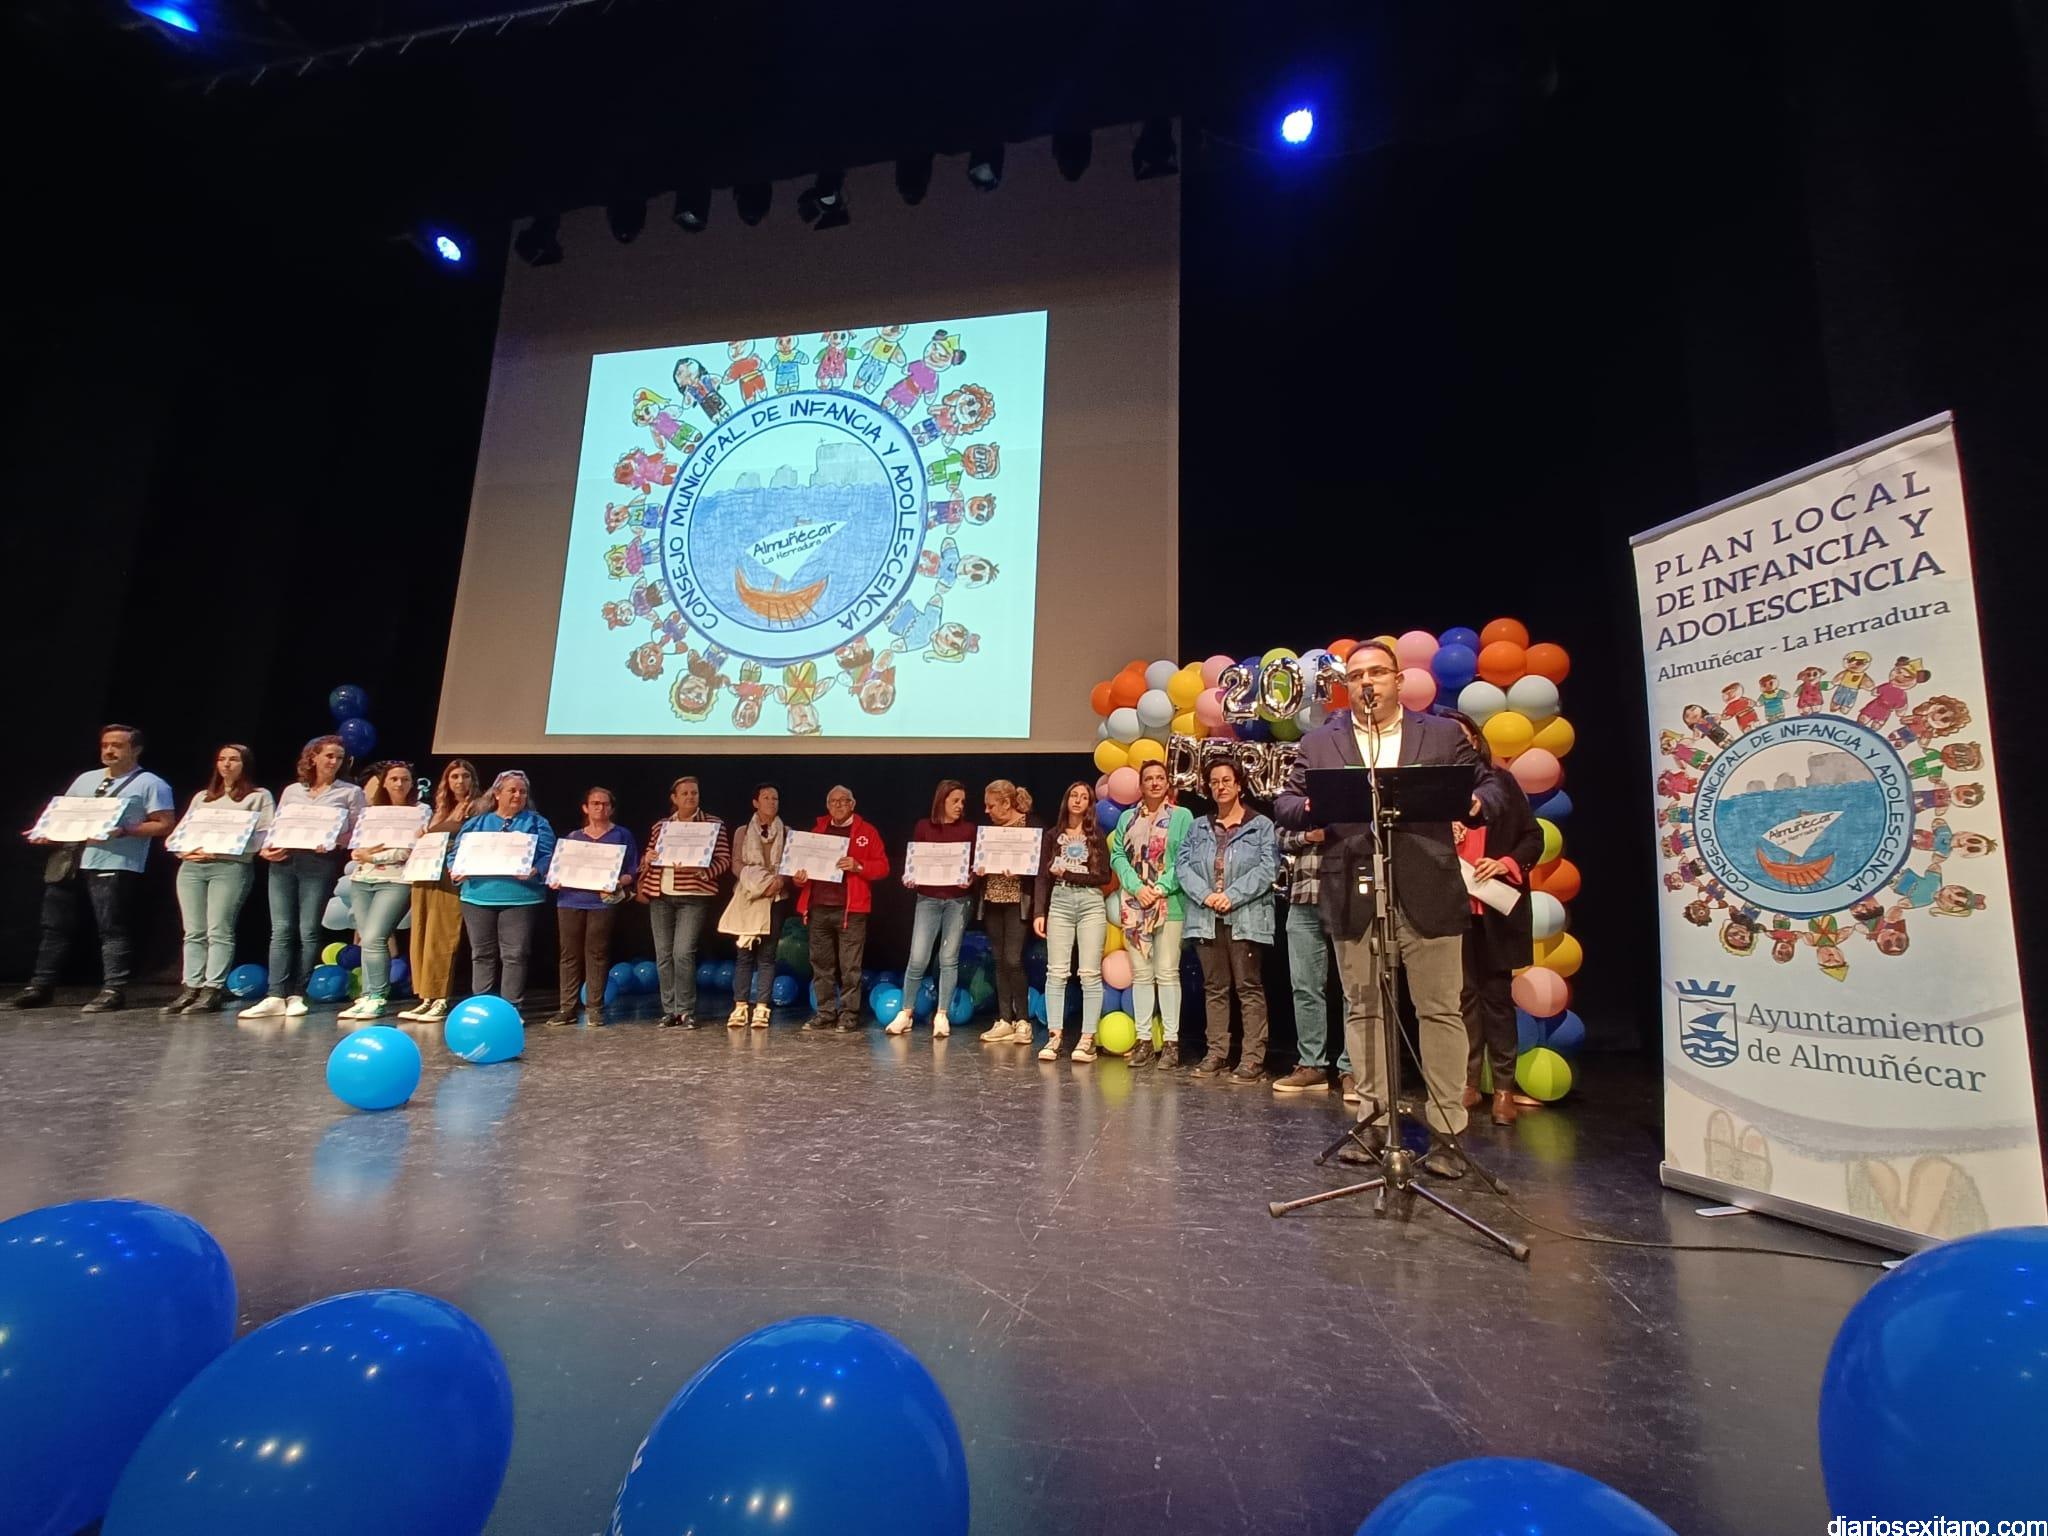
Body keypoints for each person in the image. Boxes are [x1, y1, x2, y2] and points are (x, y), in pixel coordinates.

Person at [1274, 641, 1480, 1173]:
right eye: (1357, 675)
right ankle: (1372, 1123)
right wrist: (1313, 807)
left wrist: (1477, 804)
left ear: (1398, 680)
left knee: (1439, 1010)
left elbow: (1489, 787)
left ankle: (1447, 1132)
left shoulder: (1441, 734)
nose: (1367, 683)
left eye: (1378, 673)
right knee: (1363, 1009)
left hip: (1429, 889)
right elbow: (1286, 803)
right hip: (1353, 890)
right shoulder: (1321, 742)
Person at [13, 723, 177, 1013]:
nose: (109, 750)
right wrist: (46, 832)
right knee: (54, 927)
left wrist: (126, 830)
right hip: (70, 861)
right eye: (105, 745)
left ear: (136, 749)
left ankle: (114, 989)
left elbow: (165, 824)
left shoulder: (151, 783)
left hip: (113, 862)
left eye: (117, 745)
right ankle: (40, 986)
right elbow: (64, 815)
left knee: (111, 927)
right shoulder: (86, 779)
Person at [1441, 710, 1544, 1125]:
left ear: (1475, 741)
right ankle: (1468, 1083)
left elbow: (1532, 837)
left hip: (1497, 907)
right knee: (1462, 997)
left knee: (1497, 998)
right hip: (1453, 907)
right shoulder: (1436, 791)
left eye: (1463, 737)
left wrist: (1505, 863)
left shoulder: (1501, 783)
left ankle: (1503, 1088)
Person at [241, 735, 366, 1020]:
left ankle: (297, 993)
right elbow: (279, 825)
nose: (334, 762)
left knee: (308, 929)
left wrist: (335, 840)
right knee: (281, 929)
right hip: (285, 861)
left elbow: (358, 832)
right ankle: (275, 994)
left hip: (319, 862)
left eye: (339, 757)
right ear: (313, 757)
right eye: (329, 756)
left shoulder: (350, 792)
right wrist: (268, 848)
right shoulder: (293, 790)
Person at [1177, 757, 1279, 1082]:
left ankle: (1252, 1058)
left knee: (1248, 987)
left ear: (1239, 785)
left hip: (1246, 916)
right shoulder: (1198, 826)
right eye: (1214, 782)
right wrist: (1206, 895)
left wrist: (1231, 895)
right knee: (1214, 987)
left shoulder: (1260, 825)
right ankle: (1217, 1053)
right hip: (1206, 916)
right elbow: (1183, 867)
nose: (1220, 787)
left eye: (1226, 781)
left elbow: (1268, 868)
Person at [164, 743, 276, 1016]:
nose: (227, 764)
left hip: (229, 867)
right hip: (192, 868)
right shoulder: (203, 797)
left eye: (234, 759)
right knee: (193, 931)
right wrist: (183, 850)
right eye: (222, 759)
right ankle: (191, 987)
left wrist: (223, 849)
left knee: (219, 929)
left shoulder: (258, 797)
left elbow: (265, 835)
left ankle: (212, 988)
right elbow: (177, 835)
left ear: (244, 764)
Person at [1109, 760, 1193, 1070]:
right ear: (1141, 785)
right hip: (1134, 905)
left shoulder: (1182, 816)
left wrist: (1159, 888)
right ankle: (1143, 1040)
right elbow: (1118, 855)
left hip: (1169, 903)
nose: (1155, 783)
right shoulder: (1127, 817)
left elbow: (1186, 856)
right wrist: (1136, 887)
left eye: (1160, 778)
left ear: (1167, 783)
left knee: (1167, 973)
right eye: (1149, 779)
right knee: (1142, 975)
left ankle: (1170, 1043)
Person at [453, 770, 556, 1016]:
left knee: (515, 954)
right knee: (481, 954)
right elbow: (456, 854)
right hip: (478, 897)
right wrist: (455, 869)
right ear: (497, 794)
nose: (518, 795)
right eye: (512, 790)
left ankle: (511, 1009)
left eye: (522, 792)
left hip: (520, 897)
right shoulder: (477, 823)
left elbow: (549, 855)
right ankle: (482, 1008)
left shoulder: (537, 823)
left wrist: (535, 869)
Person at [793, 785, 890, 1032]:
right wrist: (799, 878)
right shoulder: (817, 832)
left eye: (843, 800)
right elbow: (800, 872)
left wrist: (858, 866)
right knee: (820, 965)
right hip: (818, 907)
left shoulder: (867, 831)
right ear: (827, 806)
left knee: (850, 967)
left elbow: (883, 867)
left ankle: (848, 1015)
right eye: (833, 801)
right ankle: (825, 1012)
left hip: (851, 910)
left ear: (852, 804)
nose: (838, 805)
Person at [637, 775, 730, 1028]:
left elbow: (724, 860)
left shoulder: (713, 824)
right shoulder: (661, 826)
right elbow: (646, 861)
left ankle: (686, 1011)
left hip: (694, 896)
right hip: (661, 895)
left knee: (683, 953)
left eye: (694, 793)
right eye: (685, 793)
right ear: (674, 798)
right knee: (663, 955)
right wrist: (648, 858)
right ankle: (670, 1011)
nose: (690, 797)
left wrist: (703, 872)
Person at [397, 759, 486, 1024]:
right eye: (454, 776)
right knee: (421, 934)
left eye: (465, 776)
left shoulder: (477, 807)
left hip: (449, 875)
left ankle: (441, 998)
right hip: (424, 873)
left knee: (443, 935)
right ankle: (425, 996)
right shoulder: (438, 810)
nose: (460, 781)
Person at [888, 780, 976, 1038]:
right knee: (918, 957)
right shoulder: (924, 827)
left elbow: (974, 866)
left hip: (958, 901)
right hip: (928, 899)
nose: (960, 806)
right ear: (941, 801)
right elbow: (916, 861)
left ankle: (942, 1014)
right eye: (955, 801)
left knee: (948, 958)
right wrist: (910, 877)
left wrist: (971, 878)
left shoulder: (969, 829)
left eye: (962, 802)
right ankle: (906, 1012)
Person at [1272, 819, 1353, 1095]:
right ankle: (1312, 1065)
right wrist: (1309, 836)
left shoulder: (1350, 797)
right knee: (1305, 986)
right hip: (1303, 898)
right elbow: (1279, 835)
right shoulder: (1299, 800)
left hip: (1348, 896)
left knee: (1353, 989)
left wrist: (1333, 834)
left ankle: (1353, 1068)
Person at [547, 786, 639, 1027]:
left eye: (605, 804)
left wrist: (617, 882)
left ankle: (594, 1008)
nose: (600, 808)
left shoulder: (622, 835)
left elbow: (632, 871)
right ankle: (566, 1008)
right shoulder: (573, 838)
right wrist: (555, 879)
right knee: (569, 955)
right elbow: (556, 872)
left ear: (612, 808)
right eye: (595, 803)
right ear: (585, 808)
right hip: (569, 900)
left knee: (596, 954)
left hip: (601, 903)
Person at [336, 760, 420, 1024]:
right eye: (394, 779)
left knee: (375, 936)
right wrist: (361, 854)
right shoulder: (371, 812)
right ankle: (368, 995)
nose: (399, 783)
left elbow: (408, 850)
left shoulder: (420, 811)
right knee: (367, 940)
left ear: (412, 784)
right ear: (384, 783)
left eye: (405, 779)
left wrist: (372, 856)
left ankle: (378, 996)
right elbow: (356, 848)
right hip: (362, 880)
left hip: (396, 881)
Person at [1033, 781, 1111, 1064]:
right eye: (1073, 796)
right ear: (1066, 801)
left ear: (1090, 804)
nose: (1078, 800)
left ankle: (1087, 1040)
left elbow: (1103, 876)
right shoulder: (1053, 836)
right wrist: (1039, 912)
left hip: (1090, 903)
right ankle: (1054, 1036)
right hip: (1061, 902)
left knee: (1089, 973)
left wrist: (1068, 873)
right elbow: (1043, 876)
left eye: (1084, 797)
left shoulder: (1096, 836)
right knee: (1056, 972)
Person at [719, 783, 788, 1028]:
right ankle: (740, 1006)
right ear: (756, 802)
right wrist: (757, 884)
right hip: (748, 896)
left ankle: (761, 1007)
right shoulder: (742, 831)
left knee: (767, 955)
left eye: (775, 798)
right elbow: (736, 863)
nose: (771, 802)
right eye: (766, 797)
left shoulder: (787, 832)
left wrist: (777, 883)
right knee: (744, 954)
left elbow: (790, 864)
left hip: (775, 898)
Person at [974, 779, 1036, 1043]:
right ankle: (1004, 1019)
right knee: (999, 961)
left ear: (1006, 803)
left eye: (991, 806)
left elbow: (1038, 867)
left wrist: (1023, 871)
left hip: (1016, 901)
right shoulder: (990, 832)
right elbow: (979, 865)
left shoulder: (1030, 826)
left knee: (1013, 959)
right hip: (992, 900)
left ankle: (1023, 1020)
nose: (986, 811)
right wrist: (978, 870)